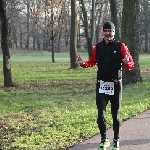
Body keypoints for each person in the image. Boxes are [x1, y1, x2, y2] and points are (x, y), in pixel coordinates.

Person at [76, 21, 134, 150]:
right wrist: (82, 63)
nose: (108, 33)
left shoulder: (121, 46)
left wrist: (127, 62)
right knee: (100, 114)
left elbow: (131, 65)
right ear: (103, 32)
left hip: (115, 85)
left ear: (114, 32)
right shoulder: (98, 47)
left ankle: (116, 140)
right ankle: (104, 140)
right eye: (106, 30)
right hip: (101, 84)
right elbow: (92, 62)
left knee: (115, 114)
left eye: (110, 31)